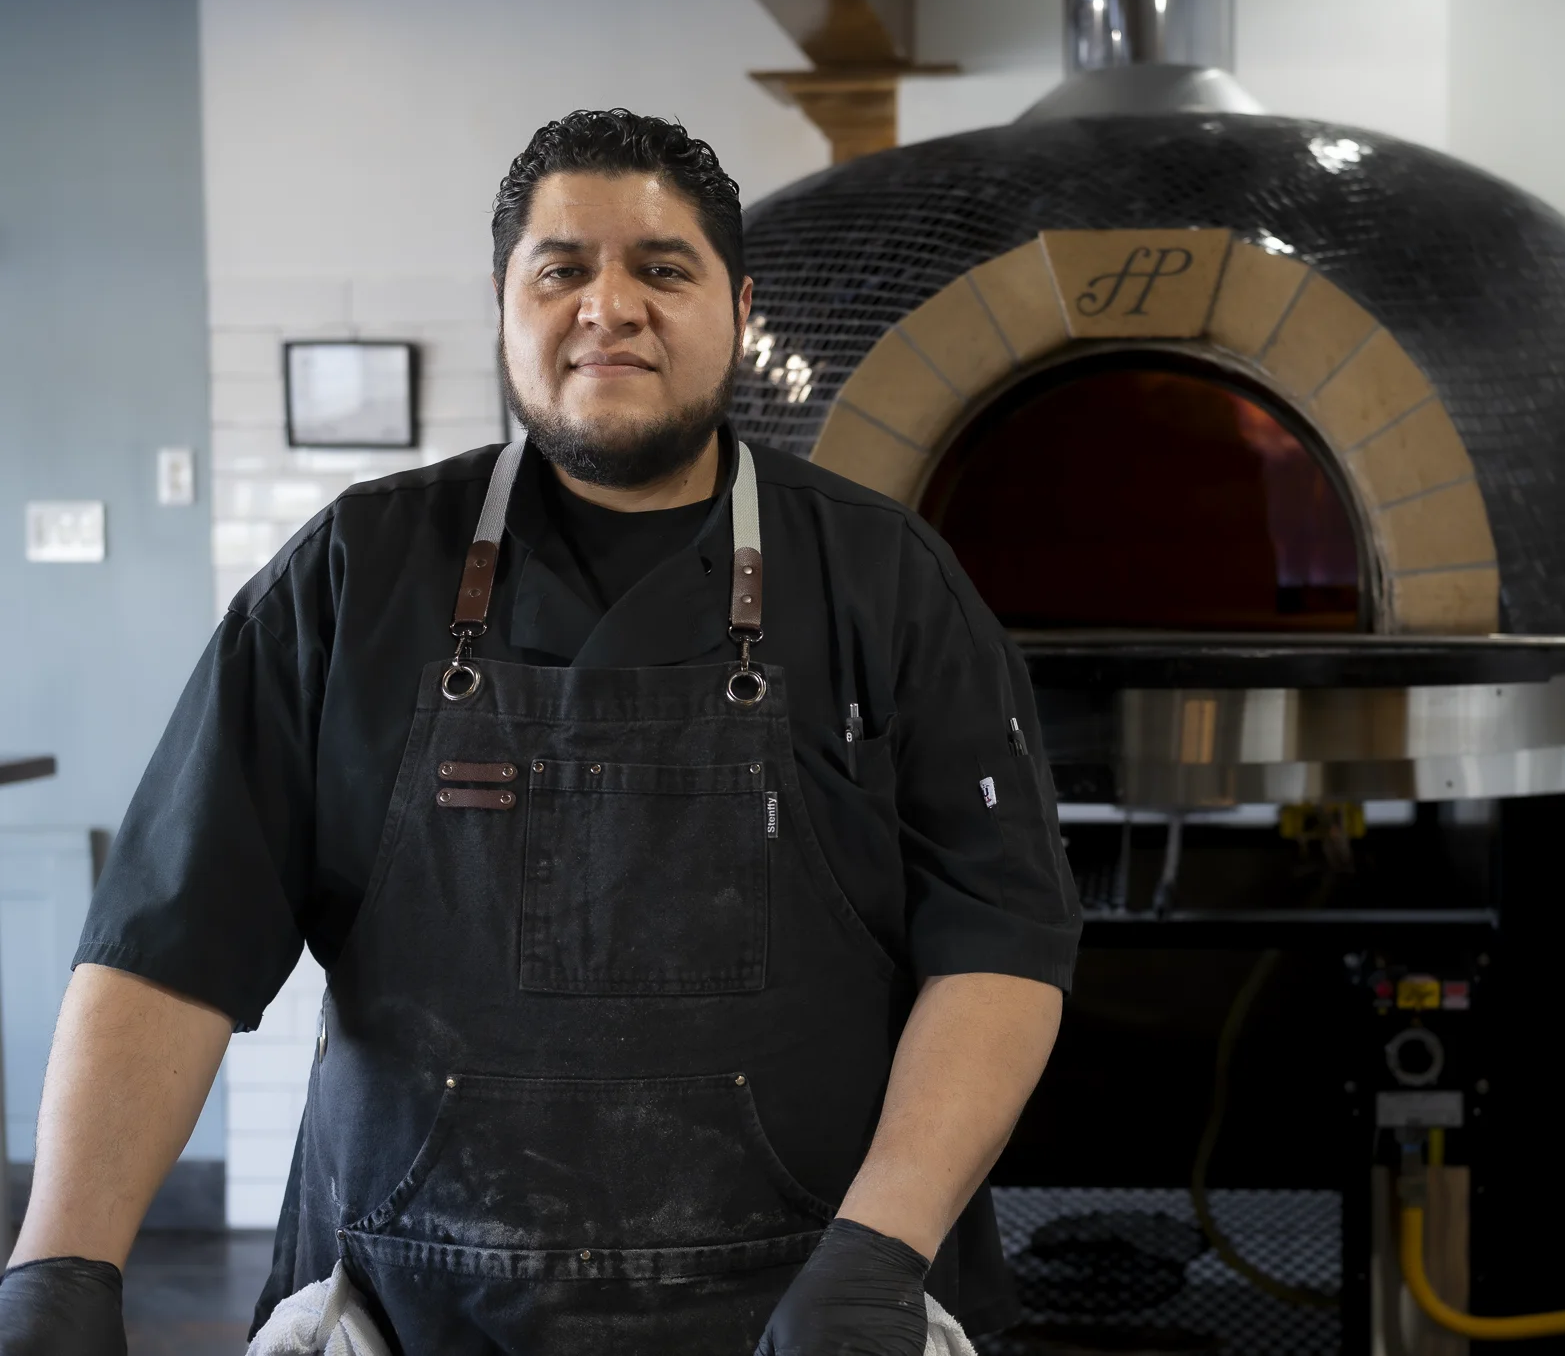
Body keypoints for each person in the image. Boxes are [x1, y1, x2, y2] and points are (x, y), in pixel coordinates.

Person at [0, 108, 1078, 1355]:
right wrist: (61, 1266)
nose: (606, 304)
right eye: (560, 268)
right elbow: (166, 947)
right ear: (504, 304)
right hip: (403, 1309)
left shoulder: (885, 578)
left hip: (808, 1304)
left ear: (738, 306)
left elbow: (1001, 943)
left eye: (660, 268)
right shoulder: (354, 573)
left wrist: (879, 1254)